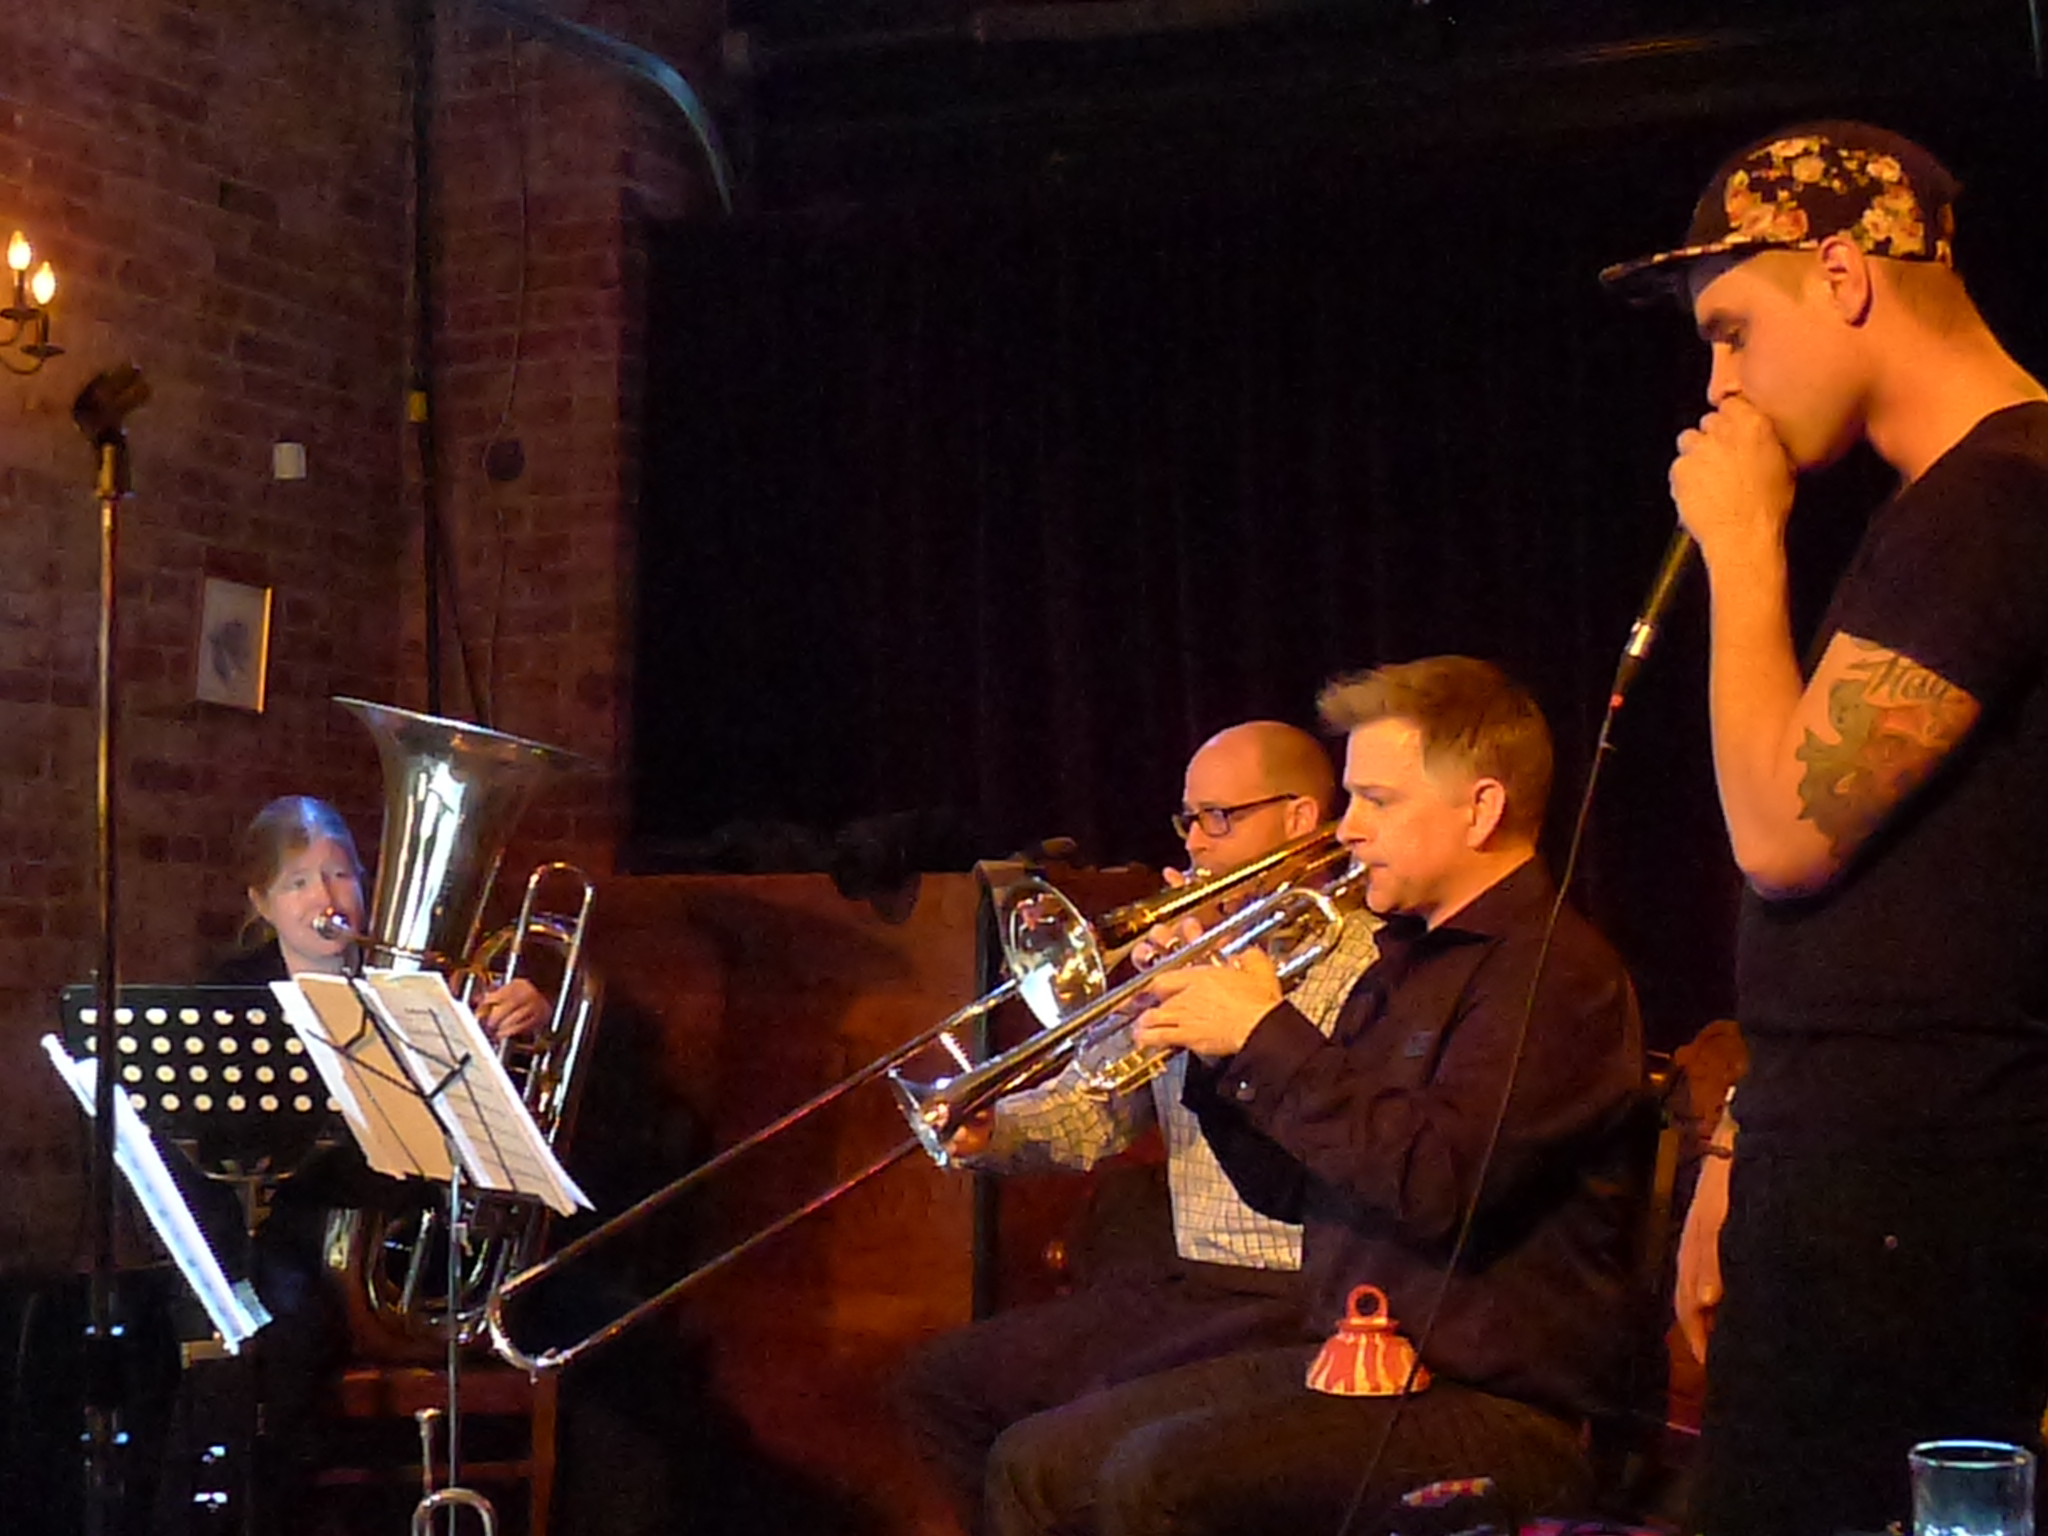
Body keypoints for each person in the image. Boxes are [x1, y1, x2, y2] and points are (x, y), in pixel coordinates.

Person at [1601, 121, 2048, 1536]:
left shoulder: (2002, 499)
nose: (1717, 381)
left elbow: (1787, 833)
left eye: (1732, 329)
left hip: (1918, 1199)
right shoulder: (1954, 507)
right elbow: (1893, 931)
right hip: (1862, 1171)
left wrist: (1743, 548)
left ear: (1845, 272)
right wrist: (1742, 1135)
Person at [982, 657, 1645, 1536]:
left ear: (1480, 809)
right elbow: (1298, 1188)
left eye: (1377, 800)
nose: (1348, 830)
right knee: (1035, 1462)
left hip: (1491, 1400)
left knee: (1155, 1478)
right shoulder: (1401, 964)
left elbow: (1435, 1182)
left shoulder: (1554, 976)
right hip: (1353, 1358)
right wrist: (1216, 1056)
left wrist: (1264, 1034)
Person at [894, 720, 1383, 1536]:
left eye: (1219, 818)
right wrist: (991, 1128)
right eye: (1187, 820)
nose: (1195, 843)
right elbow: (1095, 1107)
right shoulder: (1194, 945)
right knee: (943, 1382)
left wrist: (1234, 1006)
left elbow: (1335, 1134)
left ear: (1300, 819)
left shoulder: (1366, 956)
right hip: (1191, 1279)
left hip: (1302, 1289)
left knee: (1063, 1439)